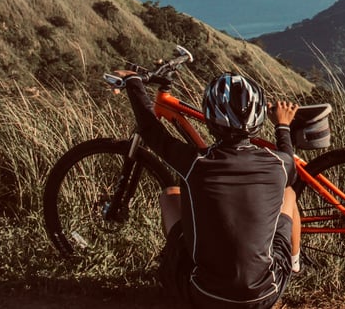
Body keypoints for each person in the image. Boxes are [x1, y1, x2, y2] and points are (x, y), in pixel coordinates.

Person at [116, 68, 301, 309]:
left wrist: (133, 82)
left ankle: (176, 263)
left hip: (203, 296)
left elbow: (152, 131)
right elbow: (289, 157)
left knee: (170, 196)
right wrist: (283, 126)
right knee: (289, 193)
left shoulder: (194, 163)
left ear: (210, 120)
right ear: (258, 120)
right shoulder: (280, 164)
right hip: (265, 295)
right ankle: (294, 264)